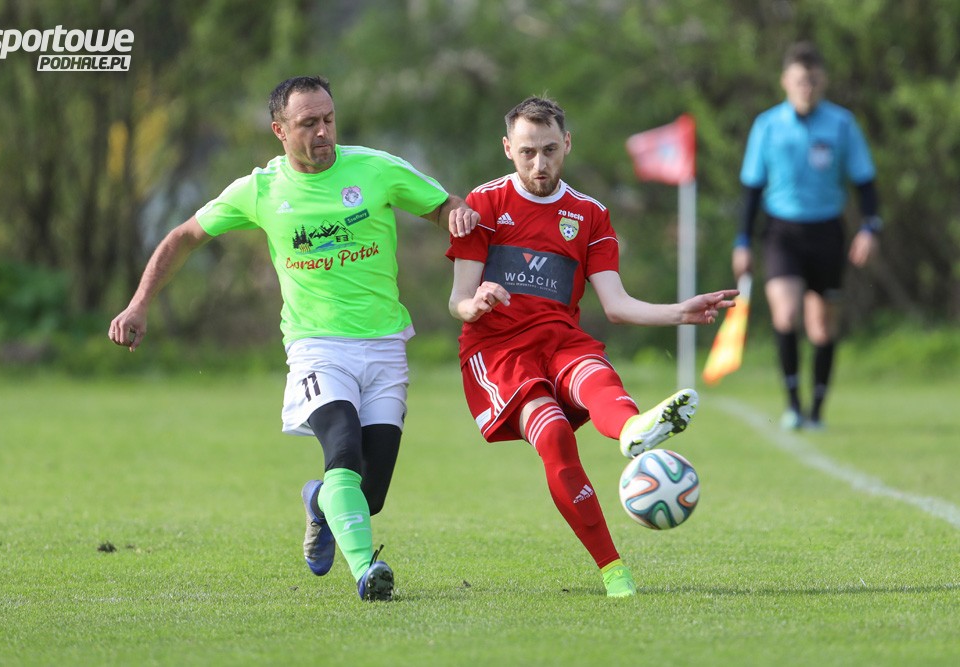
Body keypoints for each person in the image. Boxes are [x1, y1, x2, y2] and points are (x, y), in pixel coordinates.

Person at [109, 75, 479, 602]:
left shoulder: (375, 168)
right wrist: (139, 303)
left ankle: (318, 501)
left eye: (328, 119)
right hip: (316, 347)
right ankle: (367, 573)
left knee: (368, 495)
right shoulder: (260, 190)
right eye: (308, 123)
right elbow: (184, 236)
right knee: (342, 449)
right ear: (279, 131)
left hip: (385, 347)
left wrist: (457, 212)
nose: (323, 131)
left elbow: (444, 206)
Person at [446, 96, 737, 597]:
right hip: (499, 351)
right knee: (555, 434)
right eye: (527, 152)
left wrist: (679, 312)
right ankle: (612, 569)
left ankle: (632, 429)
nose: (539, 164)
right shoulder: (484, 204)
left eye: (550, 150)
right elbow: (458, 300)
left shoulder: (589, 214)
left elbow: (616, 304)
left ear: (567, 144)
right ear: (508, 149)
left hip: (560, 338)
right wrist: (477, 303)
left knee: (596, 374)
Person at [732, 42, 882, 430]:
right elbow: (752, 189)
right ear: (785, 81)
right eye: (800, 80)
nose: (807, 88)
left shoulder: (842, 124)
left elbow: (865, 181)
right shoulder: (767, 125)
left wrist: (870, 227)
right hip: (782, 231)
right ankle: (793, 406)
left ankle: (816, 410)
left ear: (823, 81)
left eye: (813, 81)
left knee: (822, 326)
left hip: (827, 230)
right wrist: (742, 242)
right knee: (785, 313)